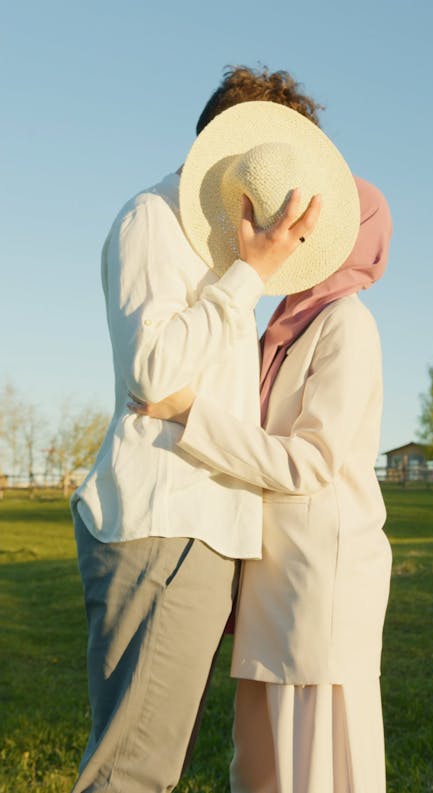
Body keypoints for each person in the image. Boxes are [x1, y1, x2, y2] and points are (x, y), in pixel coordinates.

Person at [70, 66, 322, 793]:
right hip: (163, 524)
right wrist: (245, 277)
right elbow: (150, 371)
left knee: (145, 763)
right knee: (132, 773)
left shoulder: (215, 250)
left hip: (197, 532)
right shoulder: (154, 217)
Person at [128, 101, 393, 792]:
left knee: (317, 768)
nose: (297, 237)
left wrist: (191, 414)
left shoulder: (346, 326)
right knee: (263, 766)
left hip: (318, 586)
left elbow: (310, 462)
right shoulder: (284, 328)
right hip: (275, 584)